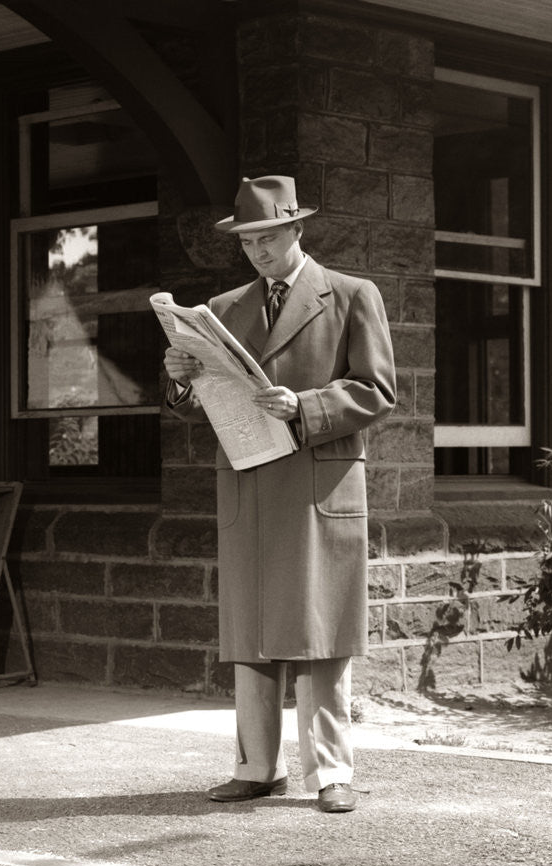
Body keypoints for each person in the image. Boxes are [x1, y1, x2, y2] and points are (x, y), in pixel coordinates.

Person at [164, 175, 396, 813]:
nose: (258, 252)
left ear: (298, 230)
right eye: (247, 242)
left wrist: (305, 404)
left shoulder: (352, 295)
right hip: (249, 482)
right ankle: (256, 767)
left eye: (269, 237)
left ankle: (331, 774)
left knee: (321, 632)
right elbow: (207, 404)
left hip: (317, 483)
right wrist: (182, 381)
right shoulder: (223, 308)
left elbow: (378, 391)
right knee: (253, 629)